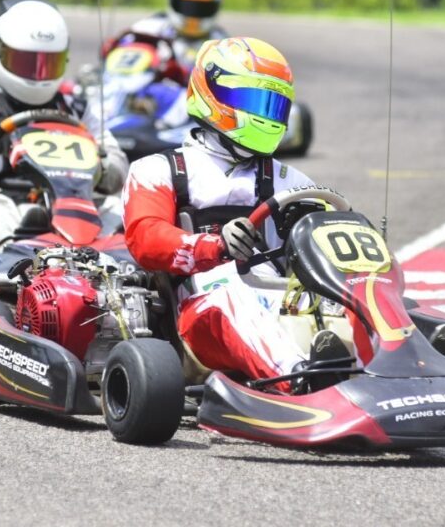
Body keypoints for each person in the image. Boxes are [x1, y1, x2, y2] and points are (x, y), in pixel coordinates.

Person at [122, 37, 347, 391]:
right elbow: (145, 238)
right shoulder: (159, 170)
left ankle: (393, 367)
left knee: (343, 300)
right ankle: (299, 379)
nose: (265, 115)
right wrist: (214, 246)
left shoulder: (290, 179)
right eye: (255, 102)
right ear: (213, 94)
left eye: (273, 106)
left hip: (276, 294)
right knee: (235, 297)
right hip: (202, 308)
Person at [0, 0, 128, 253]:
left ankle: (113, 259)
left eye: (48, 64)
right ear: (0, 51)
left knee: (119, 207)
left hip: (75, 207)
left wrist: (101, 166)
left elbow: (119, 166)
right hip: (7, 201)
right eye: (26, 62)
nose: (37, 74)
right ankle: (18, 260)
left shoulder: (77, 108)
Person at [108, 0, 229, 86]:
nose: (193, 14)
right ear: (172, 1)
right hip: (142, 91)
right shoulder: (148, 28)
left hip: (189, 100)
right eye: (187, 6)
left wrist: (182, 75)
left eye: (202, 8)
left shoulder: (224, 45)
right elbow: (120, 54)